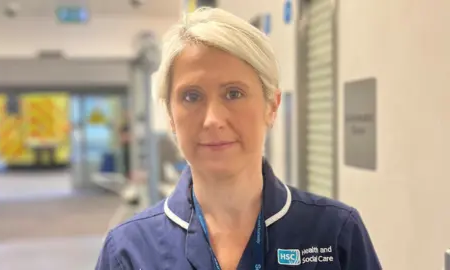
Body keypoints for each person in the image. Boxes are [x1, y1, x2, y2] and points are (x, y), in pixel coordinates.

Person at [96, 7, 381, 270]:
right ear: (170, 115)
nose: (213, 120)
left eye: (234, 93)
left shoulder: (336, 233)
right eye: (191, 96)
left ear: (272, 106)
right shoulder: (128, 252)